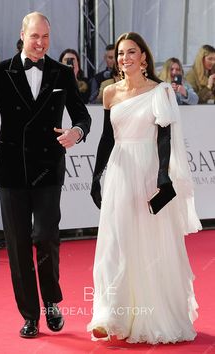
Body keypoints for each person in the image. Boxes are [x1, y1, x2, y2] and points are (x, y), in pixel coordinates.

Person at [0, 12, 91, 338]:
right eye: (34, 36)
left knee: (45, 236)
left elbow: (82, 115)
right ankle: (29, 314)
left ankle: (52, 301)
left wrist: (77, 132)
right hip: (11, 169)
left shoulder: (61, 72)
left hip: (47, 168)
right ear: (22, 35)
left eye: (45, 37)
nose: (40, 43)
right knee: (16, 244)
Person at [87, 32, 201, 344]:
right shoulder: (110, 93)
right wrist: (97, 176)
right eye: (121, 53)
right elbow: (106, 139)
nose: (125, 58)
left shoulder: (159, 91)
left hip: (149, 170)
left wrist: (163, 175)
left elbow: (164, 137)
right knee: (115, 241)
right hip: (120, 171)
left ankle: (153, 314)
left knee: (150, 242)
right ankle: (110, 313)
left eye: (131, 52)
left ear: (144, 57)